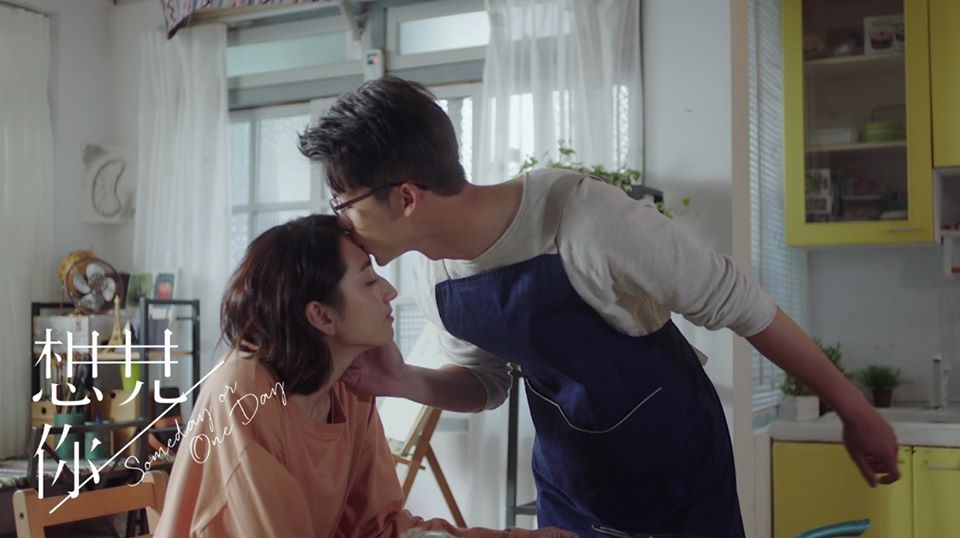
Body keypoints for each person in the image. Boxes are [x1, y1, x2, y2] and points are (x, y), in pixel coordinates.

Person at [297, 76, 901, 537]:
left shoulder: (585, 218)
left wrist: (852, 407)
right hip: (570, 484)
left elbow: (741, 304)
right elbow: (487, 384)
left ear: (406, 197)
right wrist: (404, 381)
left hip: (678, 473)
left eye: (343, 202)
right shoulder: (436, 274)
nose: (339, 220)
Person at [154, 215, 575, 538]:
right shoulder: (243, 394)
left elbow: (381, 529)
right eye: (369, 280)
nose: (390, 291)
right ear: (321, 316)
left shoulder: (347, 386)